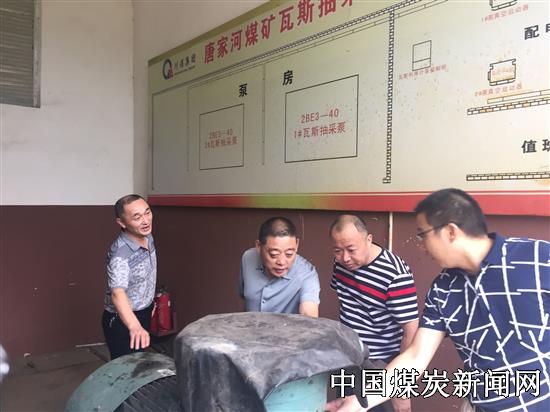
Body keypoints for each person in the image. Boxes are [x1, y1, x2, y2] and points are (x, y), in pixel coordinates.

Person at [328, 188, 550, 412]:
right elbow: (415, 357)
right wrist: (358, 403)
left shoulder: (538, 258)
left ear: (450, 232)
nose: (421, 245)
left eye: (423, 235)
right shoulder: (443, 289)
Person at [330, 214, 419, 412]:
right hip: (348, 359)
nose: (345, 258)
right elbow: (348, 306)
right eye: (337, 250)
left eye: (351, 249)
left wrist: (401, 388)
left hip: (381, 364)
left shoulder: (395, 274)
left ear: (368, 239)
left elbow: (411, 330)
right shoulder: (341, 264)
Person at [102, 194, 157, 360]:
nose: (145, 221)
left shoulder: (147, 236)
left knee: (139, 362)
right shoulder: (120, 255)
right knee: (125, 368)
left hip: (143, 311)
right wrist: (134, 325)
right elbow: (117, 293)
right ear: (122, 223)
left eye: (147, 212)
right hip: (123, 319)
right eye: (137, 217)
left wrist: (148, 303)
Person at [238, 217, 320, 317]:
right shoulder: (248, 258)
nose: (281, 262)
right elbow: (245, 298)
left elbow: (309, 314)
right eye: (274, 254)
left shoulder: (307, 274)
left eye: (289, 254)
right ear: (259, 246)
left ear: (297, 245)